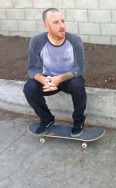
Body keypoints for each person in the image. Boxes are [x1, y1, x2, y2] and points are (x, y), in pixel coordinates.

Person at [23, 8, 87, 138]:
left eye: (63, 21)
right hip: (49, 80)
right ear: (46, 26)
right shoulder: (37, 41)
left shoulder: (74, 40)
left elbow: (79, 68)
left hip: (69, 79)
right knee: (29, 88)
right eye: (56, 22)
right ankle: (47, 119)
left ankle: (78, 121)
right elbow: (33, 68)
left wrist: (60, 78)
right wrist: (44, 80)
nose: (62, 26)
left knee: (78, 84)